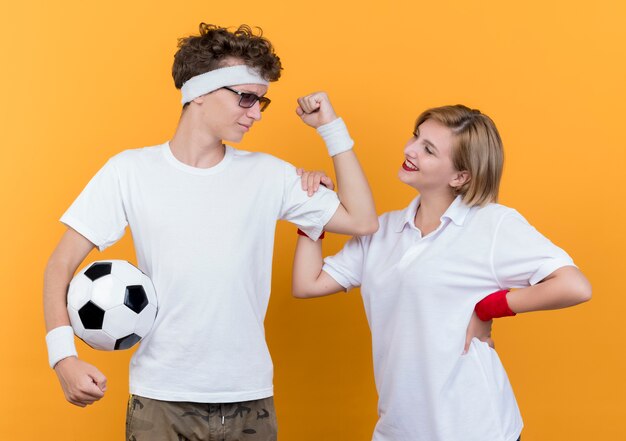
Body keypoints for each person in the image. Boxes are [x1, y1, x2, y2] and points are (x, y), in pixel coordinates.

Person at [43, 23, 378, 441]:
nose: (256, 112)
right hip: (160, 399)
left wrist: (331, 128)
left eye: (262, 102)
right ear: (198, 92)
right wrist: (63, 359)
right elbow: (60, 265)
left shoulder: (269, 175)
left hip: (249, 400)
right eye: (246, 98)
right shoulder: (129, 171)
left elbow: (363, 221)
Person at [292, 104, 592, 441]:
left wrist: (488, 308)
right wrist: (313, 213)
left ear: (460, 176)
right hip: (399, 429)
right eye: (416, 137)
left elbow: (574, 285)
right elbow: (307, 284)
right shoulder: (384, 230)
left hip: (476, 429)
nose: (410, 149)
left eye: (428, 149)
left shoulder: (491, 225)